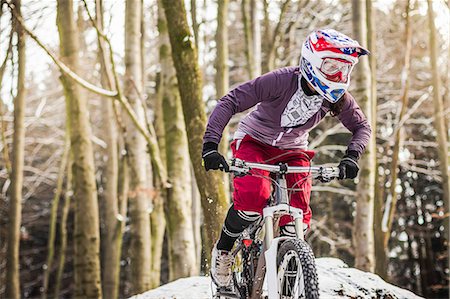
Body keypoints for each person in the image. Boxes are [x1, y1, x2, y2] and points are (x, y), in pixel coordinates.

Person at [202, 29, 372, 287]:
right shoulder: (281, 81)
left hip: (294, 151)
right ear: (312, 60)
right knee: (252, 200)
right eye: (331, 66)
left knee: (298, 218)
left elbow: (362, 127)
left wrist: (352, 156)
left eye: (345, 69)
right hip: (254, 142)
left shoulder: (336, 98)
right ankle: (224, 249)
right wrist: (211, 145)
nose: (339, 76)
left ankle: (291, 275)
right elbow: (231, 101)